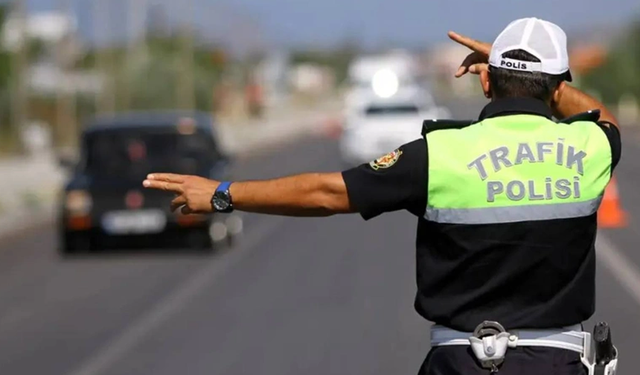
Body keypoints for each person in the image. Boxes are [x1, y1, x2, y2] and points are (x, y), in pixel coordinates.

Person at [143, 17, 621, 375]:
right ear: (558, 87)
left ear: (486, 80)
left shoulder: (438, 153)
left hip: (461, 363)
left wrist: (223, 194)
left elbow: (327, 192)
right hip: (559, 363)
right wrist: (545, 84)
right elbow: (602, 117)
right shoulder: (591, 146)